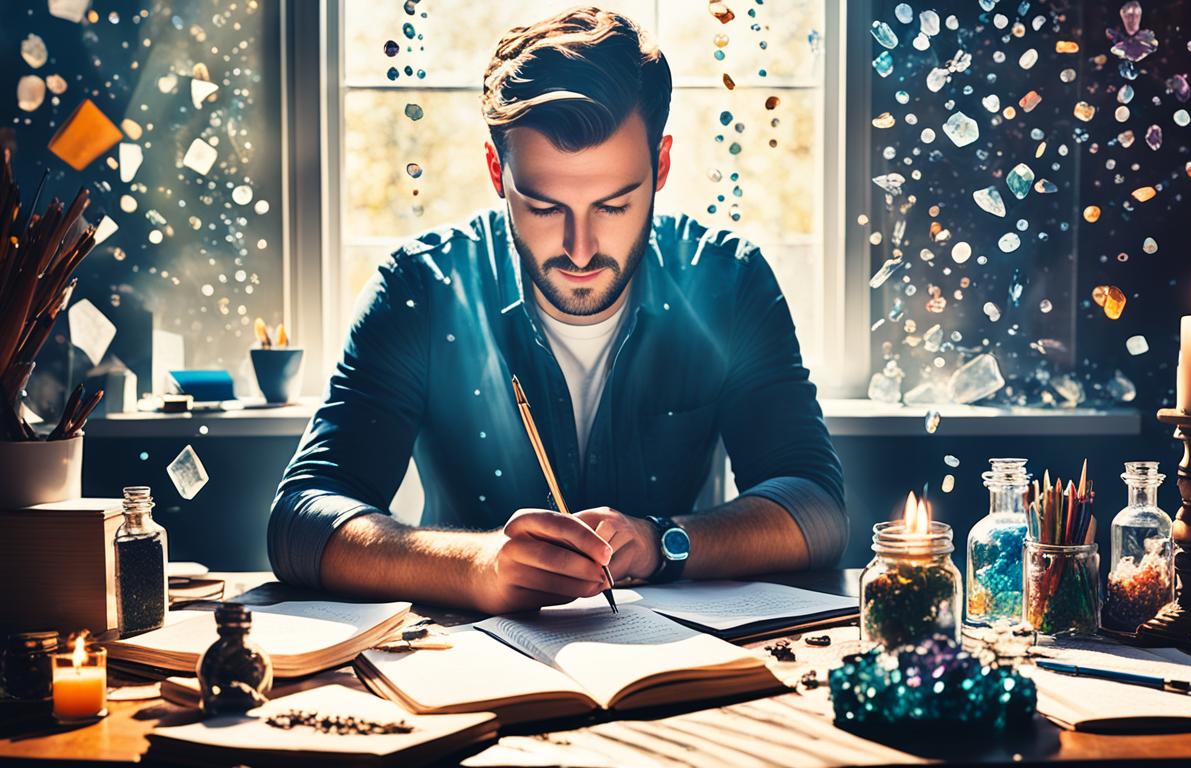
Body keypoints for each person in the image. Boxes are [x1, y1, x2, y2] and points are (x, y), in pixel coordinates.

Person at [268, 7, 845, 614]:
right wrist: (476, 567)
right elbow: (300, 522)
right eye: (545, 208)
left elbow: (817, 507)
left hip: (679, 668)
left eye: (614, 206)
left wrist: (663, 542)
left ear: (662, 165)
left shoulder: (728, 280)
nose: (580, 250)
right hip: (470, 673)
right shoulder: (422, 288)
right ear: (498, 172)